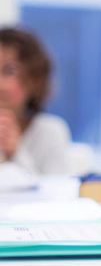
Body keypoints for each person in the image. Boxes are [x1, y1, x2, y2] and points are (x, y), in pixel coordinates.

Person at [0, 26, 72, 175]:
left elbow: (55, 192)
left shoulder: (50, 132)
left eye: (9, 71)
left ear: (35, 80)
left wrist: (16, 153)